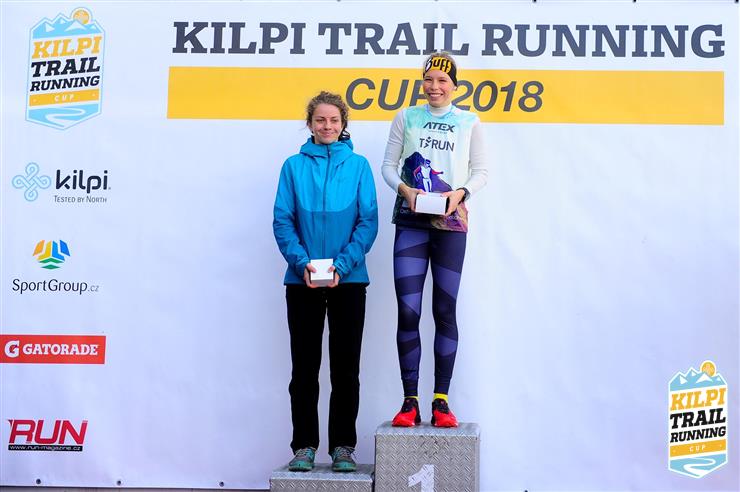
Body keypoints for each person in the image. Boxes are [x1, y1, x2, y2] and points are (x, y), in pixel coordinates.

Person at [273, 91, 378, 472]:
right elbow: (283, 220)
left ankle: (342, 447)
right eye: (320, 120)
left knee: (345, 369)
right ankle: (304, 446)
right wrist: (301, 263)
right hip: (301, 281)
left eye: (334, 120)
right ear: (310, 124)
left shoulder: (359, 166)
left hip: (349, 281)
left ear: (343, 124)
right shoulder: (293, 166)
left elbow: (367, 222)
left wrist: (342, 266)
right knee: (304, 368)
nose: (327, 126)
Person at [381, 52, 488, 427]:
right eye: (428, 80)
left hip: (450, 224)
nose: (434, 87)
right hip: (411, 221)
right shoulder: (406, 117)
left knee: (444, 310)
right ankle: (409, 401)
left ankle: (441, 401)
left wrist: (461, 193)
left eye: (442, 81)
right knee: (408, 311)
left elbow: (481, 172)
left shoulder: (469, 122)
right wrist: (405, 190)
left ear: (455, 86)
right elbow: (389, 167)